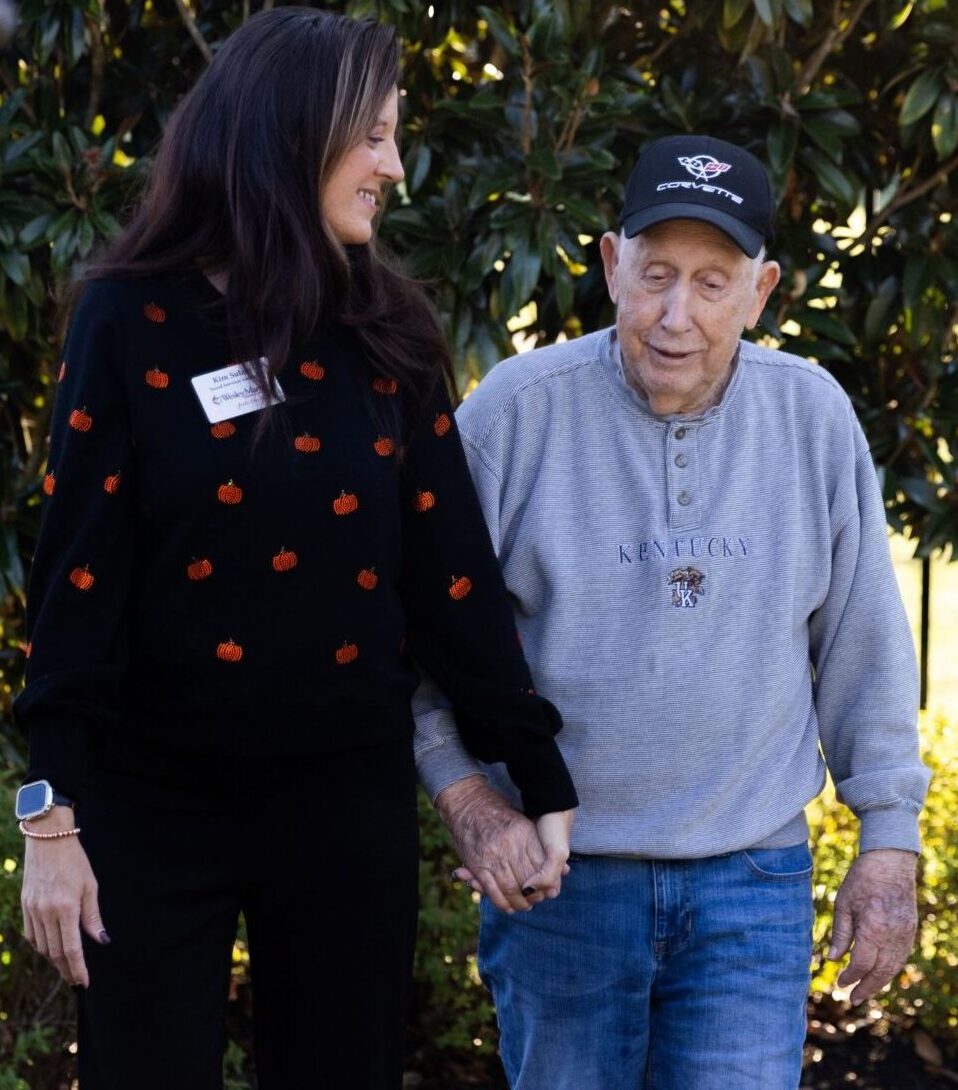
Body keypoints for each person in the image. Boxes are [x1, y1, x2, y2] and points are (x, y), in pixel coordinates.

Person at [13, 10, 577, 1089]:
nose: (393, 168)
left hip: (340, 805)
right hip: (150, 803)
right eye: (372, 136)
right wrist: (52, 817)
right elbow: (78, 580)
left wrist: (534, 767)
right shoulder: (127, 321)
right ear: (288, 131)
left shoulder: (389, 328)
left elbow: (449, 573)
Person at [415, 134, 930, 1090]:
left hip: (752, 884)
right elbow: (418, 635)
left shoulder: (810, 418)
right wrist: (467, 795)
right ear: (611, 266)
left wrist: (888, 846)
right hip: (563, 889)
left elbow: (865, 642)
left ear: (762, 290)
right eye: (654, 275)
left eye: (710, 282)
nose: (674, 316)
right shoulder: (516, 417)